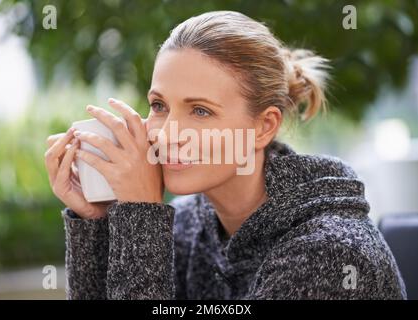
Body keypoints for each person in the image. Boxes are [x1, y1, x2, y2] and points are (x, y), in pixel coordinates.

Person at [44, 11, 406, 299]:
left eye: (200, 111)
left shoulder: (332, 255)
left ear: (263, 127)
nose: (167, 135)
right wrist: (95, 223)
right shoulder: (187, 226)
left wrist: (142, 216)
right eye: (158, 105)